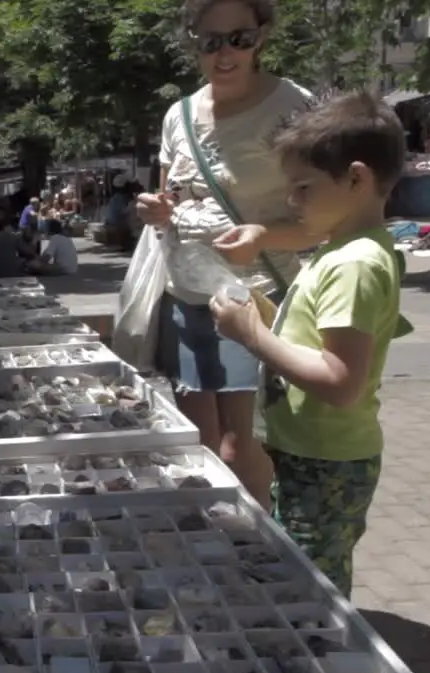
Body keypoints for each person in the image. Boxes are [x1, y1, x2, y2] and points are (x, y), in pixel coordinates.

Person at [210, 92, 409, 597]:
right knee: (305, 566)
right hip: (312, 453)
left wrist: (250, 335)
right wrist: (267, 318)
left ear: (357, 179)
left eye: (303, 187)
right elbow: (320, 341)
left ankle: (323, 662)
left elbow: (341, 382)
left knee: (311, 586)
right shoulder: (345, 252)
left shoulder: (354, 264)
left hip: (327, 459)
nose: (293, 202)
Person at [133, 0, 312, 509]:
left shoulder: (293, 107)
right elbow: (165, 203)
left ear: (263, 35)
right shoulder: (179, 114)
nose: (225, 52)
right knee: (197, 440)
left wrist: (261, 237)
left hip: (252, 299)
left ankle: (261, 550)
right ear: (193, 42)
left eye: (240, 37)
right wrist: (153, 209)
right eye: (210, 41)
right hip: (184, 296)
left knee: (238, 446)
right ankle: (216, 547)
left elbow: (322, 219)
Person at [105, 175, 139, 252]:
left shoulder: (119, 197)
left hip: (115, 225)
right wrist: (133, 203)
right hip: (116, 226)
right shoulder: (120, 198)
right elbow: (124, 211)